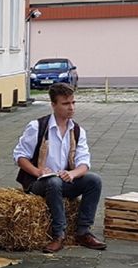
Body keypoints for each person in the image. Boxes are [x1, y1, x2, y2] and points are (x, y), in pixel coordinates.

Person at [13, 82, 106, 253]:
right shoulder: (37, 127)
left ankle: (83, 231)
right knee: (53, 182)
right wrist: (38, 171)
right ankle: (59, 234)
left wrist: (72, 173)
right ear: (53, 105)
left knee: (94, 180)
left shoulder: (77, 130)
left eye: (73, 102)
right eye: (65, 103)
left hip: (64, 180)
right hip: (38, 182)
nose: (71, 108)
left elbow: (84, 163)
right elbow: (19, 156)